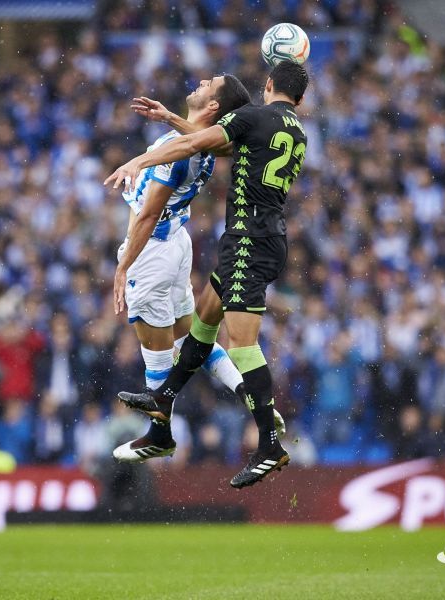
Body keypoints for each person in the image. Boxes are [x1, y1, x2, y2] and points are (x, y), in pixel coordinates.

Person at [106, 60, 309, 488]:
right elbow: (208, 143)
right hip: (257, 235)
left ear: (268, 84)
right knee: (202, 320)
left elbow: (191, 146)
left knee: (241, 344)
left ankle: (267, 441)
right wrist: (169, 119)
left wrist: (137, 161)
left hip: (246, 240)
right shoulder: (292, 129)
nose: (201, 82)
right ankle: (164, 400)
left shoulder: (251, 116)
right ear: (301, 98)